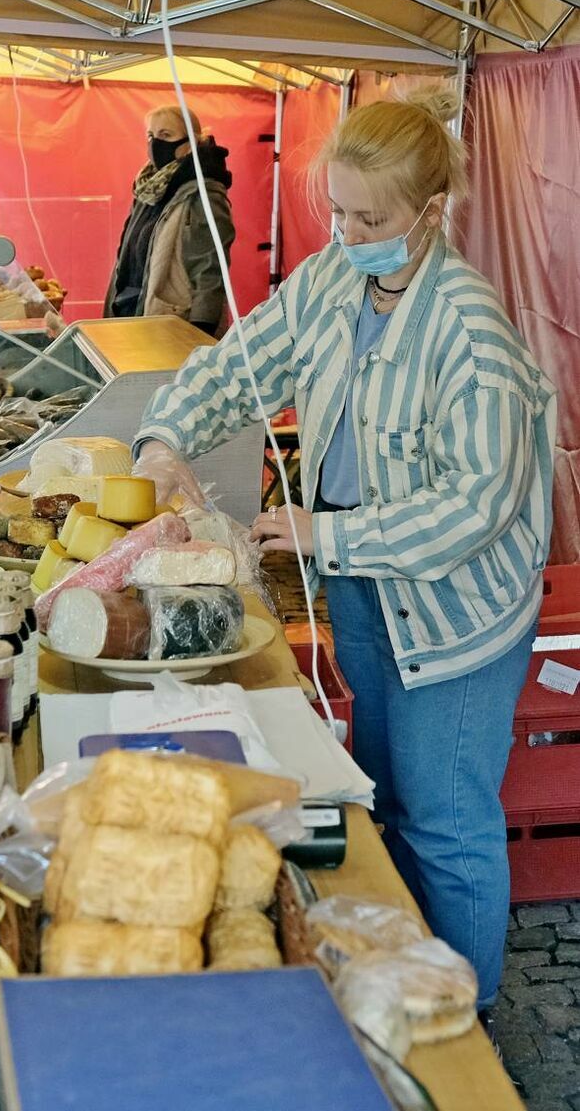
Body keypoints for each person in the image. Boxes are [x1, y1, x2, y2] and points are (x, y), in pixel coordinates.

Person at [133, 89, 556, 1020]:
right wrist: (167, 439)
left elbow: (474, 508)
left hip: (458, 611)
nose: (348, 230)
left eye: (371, 217)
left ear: (430, 214)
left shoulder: (472, 334)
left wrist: (330, 532)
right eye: (338, 209)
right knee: (388, 803)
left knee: (447, 822)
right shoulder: (334, 278)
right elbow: (246, 362)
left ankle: (463, 1021)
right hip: (365, 590)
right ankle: (399, 971)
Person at [104, 105, 235, 334]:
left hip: (173, 325)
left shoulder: (204, 194)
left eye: (166, 135)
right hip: (129, 312)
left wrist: (200, 331)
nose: (155, 143)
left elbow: (210, 270)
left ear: (192, 141)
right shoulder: (148, 188)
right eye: (151, 135)